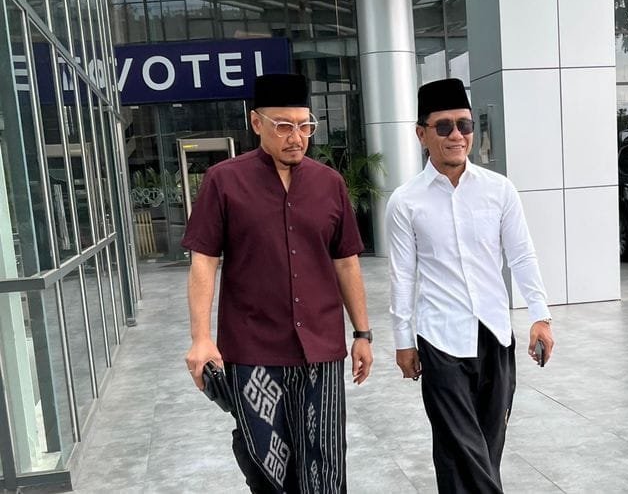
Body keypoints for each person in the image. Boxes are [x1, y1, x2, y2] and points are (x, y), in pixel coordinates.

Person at [182, 73, 373, 493]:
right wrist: (201, 338)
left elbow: (346, 262)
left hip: (320, 350)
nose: (296, 137)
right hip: (253, 349)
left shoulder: (329, 184)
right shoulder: (223, 181)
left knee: (325, 463)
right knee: (266, 466)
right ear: (257, 123)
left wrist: (362, 333)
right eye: (284, 126)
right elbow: (204, 262)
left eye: (305, 126)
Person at [385, 78, 555, 494]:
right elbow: (402, 276)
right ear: (421, 134)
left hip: (495, 336)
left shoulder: (499, 190)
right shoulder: (406, 201)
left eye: (464, 125)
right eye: (444, 127)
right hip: (440, 341)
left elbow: (521, 256)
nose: (456, 136)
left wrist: (540, 317)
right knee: (464, 448)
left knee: (484, 448)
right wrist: (403, 341)